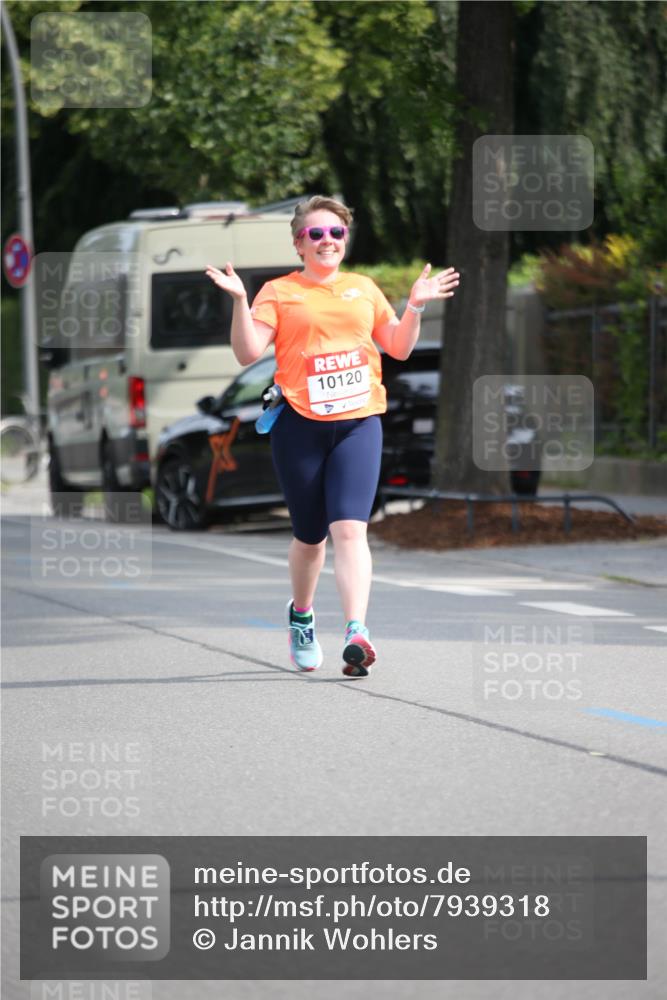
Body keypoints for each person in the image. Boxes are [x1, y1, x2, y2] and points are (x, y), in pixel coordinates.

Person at [206, 195, 459, 678]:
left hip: (360, 422)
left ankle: (356, 631)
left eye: (336, 233)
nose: (327, 241)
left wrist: (415, 307)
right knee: (310, 537)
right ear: (299, 243)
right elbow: (247, 353)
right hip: (299, 424)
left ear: (345, 241)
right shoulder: (278, 292)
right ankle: (301, 615)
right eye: (316, 234)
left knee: (350, 530)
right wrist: (240, 301)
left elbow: (399, 348)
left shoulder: (363, 289)